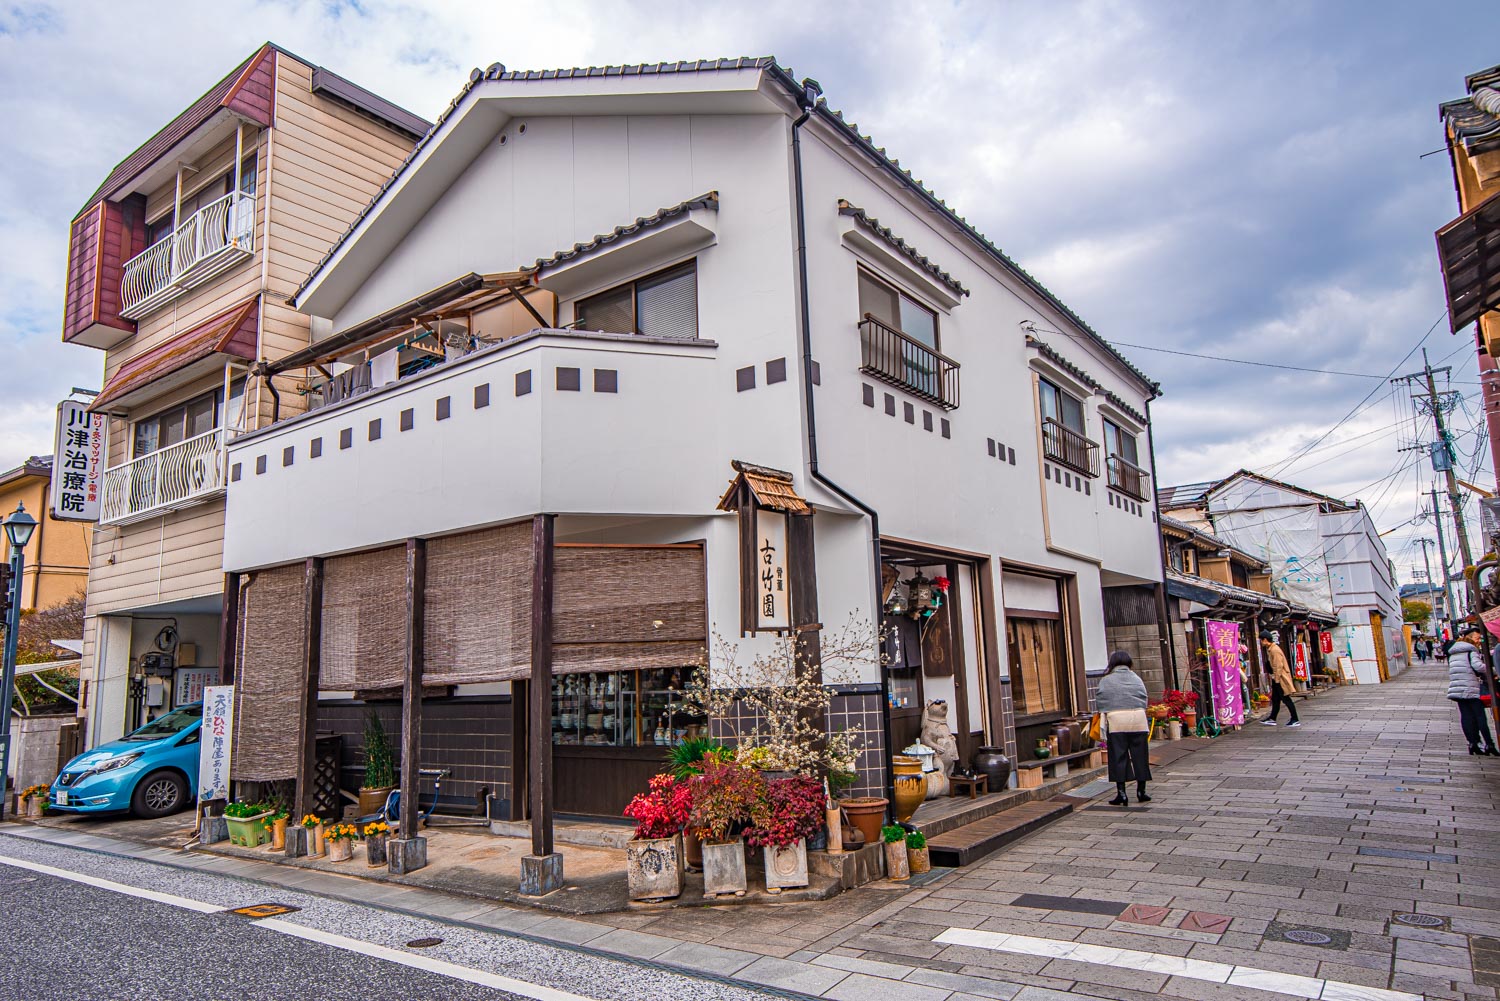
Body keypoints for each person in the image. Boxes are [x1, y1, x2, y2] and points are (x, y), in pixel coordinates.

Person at [1095, 650, 1152, 805]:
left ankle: (1122, 794)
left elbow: (1101, 700)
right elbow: (1143, 698)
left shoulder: (1106, 680)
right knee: (1140, 756)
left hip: (1117, 721)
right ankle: (1141, 791)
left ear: (1112, 663)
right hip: (1138, 719)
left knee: (1118, 757)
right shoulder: (1136, 678)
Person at [1447, 623, 1498, 756]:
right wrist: (1493, 670)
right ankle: (1489, 744)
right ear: (1469, 638)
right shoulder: (1471, 650)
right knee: (1480, 716)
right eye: (1477, 637)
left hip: (1457, 688)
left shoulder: (1454, 652)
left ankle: (1472, 743)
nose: (1478, 640)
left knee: (1466, 716)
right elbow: (1478, 667)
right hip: (1471, 687)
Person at [1259, 631, 1301, 727]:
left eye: (1261, 640)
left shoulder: (1274, 650)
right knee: (1275, 699)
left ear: (1265, 640)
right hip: (1277, 678)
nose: (1261, 642)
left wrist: (1276, 680)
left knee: (1286, 698)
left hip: (1280, 679)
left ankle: (1295, 719)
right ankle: (1272, 718)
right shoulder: (1271, 649)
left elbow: (1278, 666)